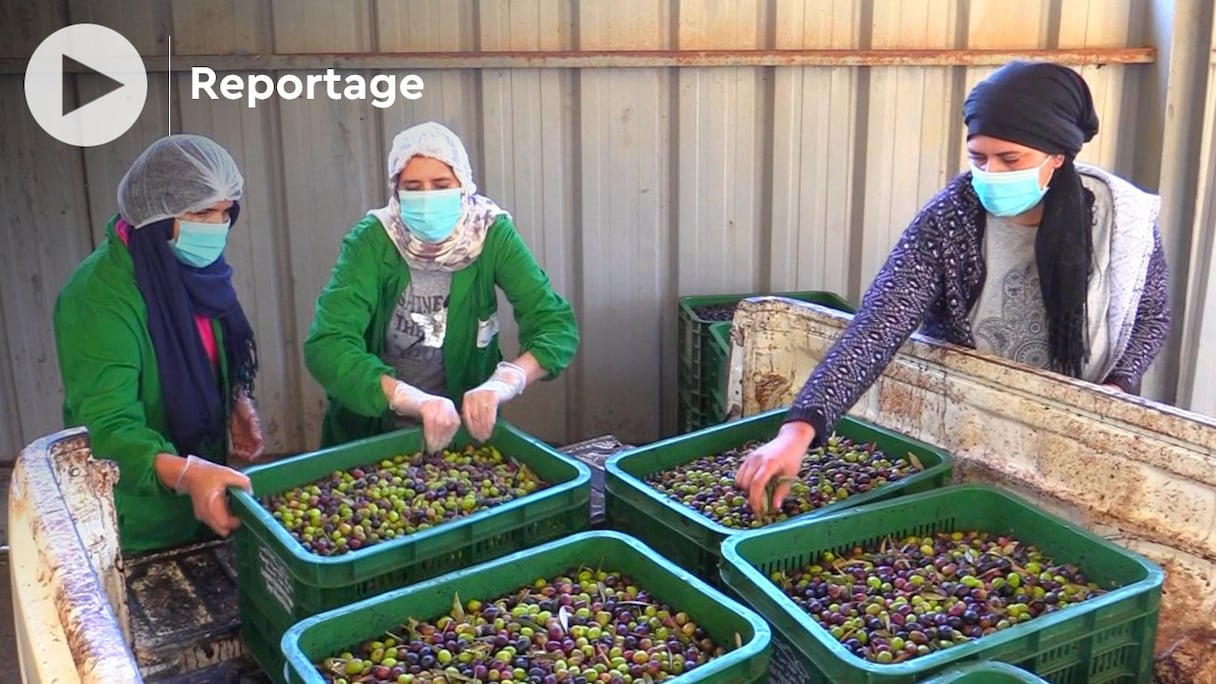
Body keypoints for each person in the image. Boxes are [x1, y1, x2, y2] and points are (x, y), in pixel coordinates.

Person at [736, 61, 1170, 513]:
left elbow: (1151, 316)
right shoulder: (951, 218)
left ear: (1057, 155)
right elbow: (879, 323)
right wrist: (800, 428)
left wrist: (1117, 389)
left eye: (1010, 160)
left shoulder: (1122, 222)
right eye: (978, 157)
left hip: (1077, 436)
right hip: (973, 423)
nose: (990, 173)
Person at [304, 121, 579, 451]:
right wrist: (406, 397)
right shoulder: (373, 240)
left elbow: (554, 326)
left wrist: (506, 382)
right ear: (396, 190)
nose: (428, 197)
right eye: (413, 186)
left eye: (441, 183)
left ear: (462, 184)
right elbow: (328, 345)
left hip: (464, 433)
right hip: (370, 431)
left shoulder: (489, 233)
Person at [54, 135, 263, 554]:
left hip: (205, 498)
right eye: (201, 211)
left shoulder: (195, 270)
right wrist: (187, 475)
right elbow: (108, 430)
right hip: (139, 522)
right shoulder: (98, 297)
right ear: (154, 216)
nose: (216, 226)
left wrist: (236, 399)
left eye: (225, 212)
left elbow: (209, 350)